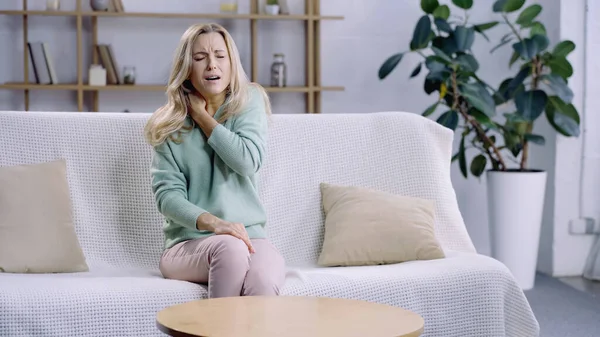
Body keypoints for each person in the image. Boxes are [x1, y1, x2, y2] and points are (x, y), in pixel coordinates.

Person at [144, 23, 286, 298]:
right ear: (187, 67)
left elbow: (247, 160)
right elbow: (168, 198)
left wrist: (203, 117)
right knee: (230, 249)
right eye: (200, 58)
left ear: (232, 63)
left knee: (263, 281)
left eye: (220, 56)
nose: (212, 65)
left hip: (251, 237)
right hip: (188, 245)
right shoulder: (167, 124)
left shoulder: (249, 101)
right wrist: (215, 224)